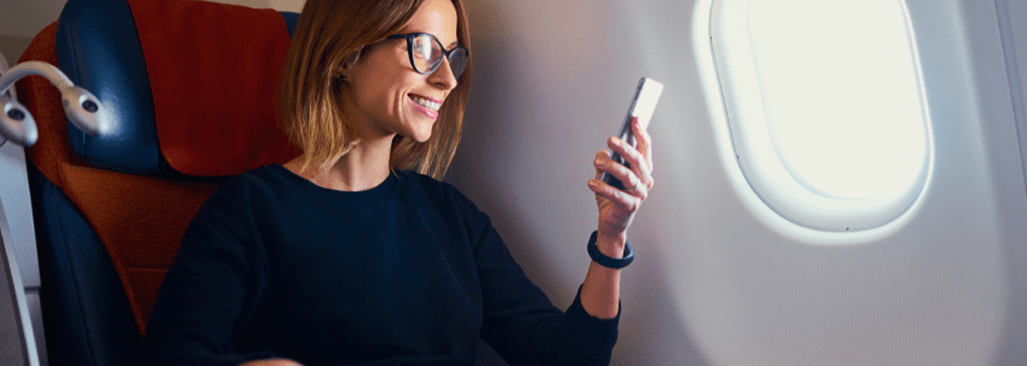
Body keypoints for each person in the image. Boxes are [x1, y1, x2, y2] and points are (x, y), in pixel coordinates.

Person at [137, 0, 654, 365]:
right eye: (426, 50)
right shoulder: (249, 211)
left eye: (453, 57)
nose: (448, 80)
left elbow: (561, 358)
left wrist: (610, 239)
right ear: (344, 54)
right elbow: (173, 355)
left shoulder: (451, 217)